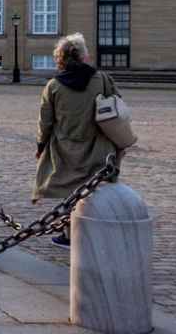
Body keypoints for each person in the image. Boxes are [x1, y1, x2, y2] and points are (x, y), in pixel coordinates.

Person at [33, 32, 123, 247]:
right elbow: (117, 104)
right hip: (98, 145)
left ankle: (69, 234)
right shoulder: (101, 79)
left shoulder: (53, 86)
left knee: (70, 192)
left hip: (65, 147)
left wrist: (41, 145)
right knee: (95, 188)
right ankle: (96, 227)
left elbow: (45, 122)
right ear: (83, 57)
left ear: (61, 58)